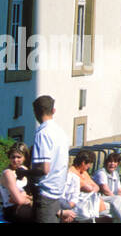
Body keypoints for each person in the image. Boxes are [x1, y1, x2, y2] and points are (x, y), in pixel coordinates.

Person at [30, 95, 69, 224]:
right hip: (57, 191)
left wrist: (24, 173)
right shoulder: (61, 132)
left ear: (36, 112)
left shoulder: (42, 133)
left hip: (45, 193)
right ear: (53, 111)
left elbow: (44, 169)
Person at [92, 151, 121, 223]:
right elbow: (105, 189)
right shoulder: (101, 173)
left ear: (118, 164)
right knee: (119, 202)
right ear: (106, 163)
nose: (112, 164)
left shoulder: (115, 174)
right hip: (99, 198)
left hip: (111, 199)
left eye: (115, 162)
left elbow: (120, 190)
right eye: (110, 161)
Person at [61, 150, 102, 222]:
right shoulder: (72, 174)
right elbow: (89, 189)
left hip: (80, 204)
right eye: (89, 164)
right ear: (83, 163)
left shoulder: (83, 172)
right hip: (73, 205)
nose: (89, 166)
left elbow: (97, 187)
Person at [1, 143, 33, 223]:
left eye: (19, 157)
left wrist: (25, 196)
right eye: (13, 157)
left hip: (24, 206)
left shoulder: (24, 170)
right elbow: (18, 200)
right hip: (12, 210)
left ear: (24, 158)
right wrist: (26, 197)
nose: (15, 160)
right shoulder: (8, 173)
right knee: (42, 214)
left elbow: (32, 194)